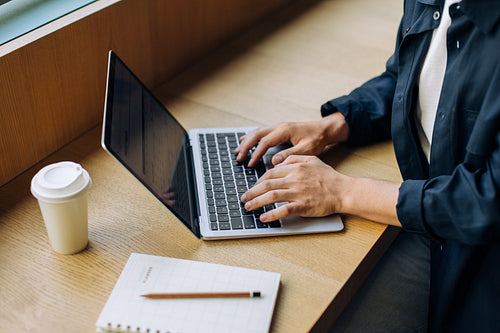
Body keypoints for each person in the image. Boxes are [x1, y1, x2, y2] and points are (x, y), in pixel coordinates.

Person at [235, 0, 500, 332]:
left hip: (480, 263)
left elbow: (488, 199)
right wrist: (337, 124)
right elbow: (409, 75)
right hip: (429, 218)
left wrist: (343, 191)